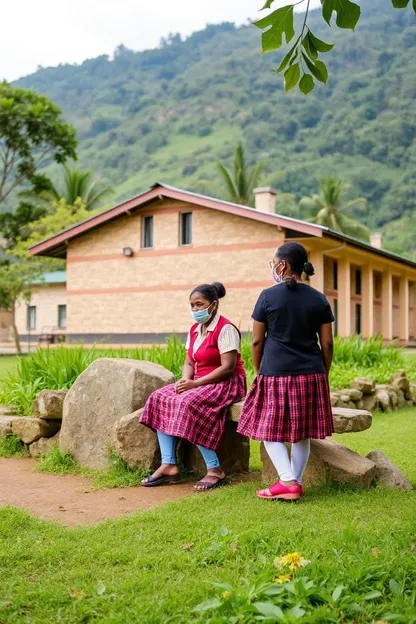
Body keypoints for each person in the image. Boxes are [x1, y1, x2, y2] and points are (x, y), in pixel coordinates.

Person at [237, 242, 334, 501]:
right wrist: (322, 372)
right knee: (303, 431)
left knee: (268, 428)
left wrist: (260, 369)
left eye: (274, 263)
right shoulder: (319, 298)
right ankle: (295, 483)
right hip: (311, 372)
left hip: (275, 372)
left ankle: (287, 481)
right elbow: (327, 343)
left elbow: (256, 341)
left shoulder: (267, 296)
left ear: (283, 265)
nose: (273, 267)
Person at [140, 282, 246, 491]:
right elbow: (189, 362)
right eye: (192, 305)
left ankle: (215, 469)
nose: (196, 309)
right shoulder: (195, 330)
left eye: (200, 304)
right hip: (198, 380)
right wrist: (185, 381)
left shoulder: (226, 329)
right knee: (160, 398)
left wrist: (194, 384)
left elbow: (228, 367)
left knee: (188, 403)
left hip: (226, 382)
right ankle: (169, 464)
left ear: (213, 305)